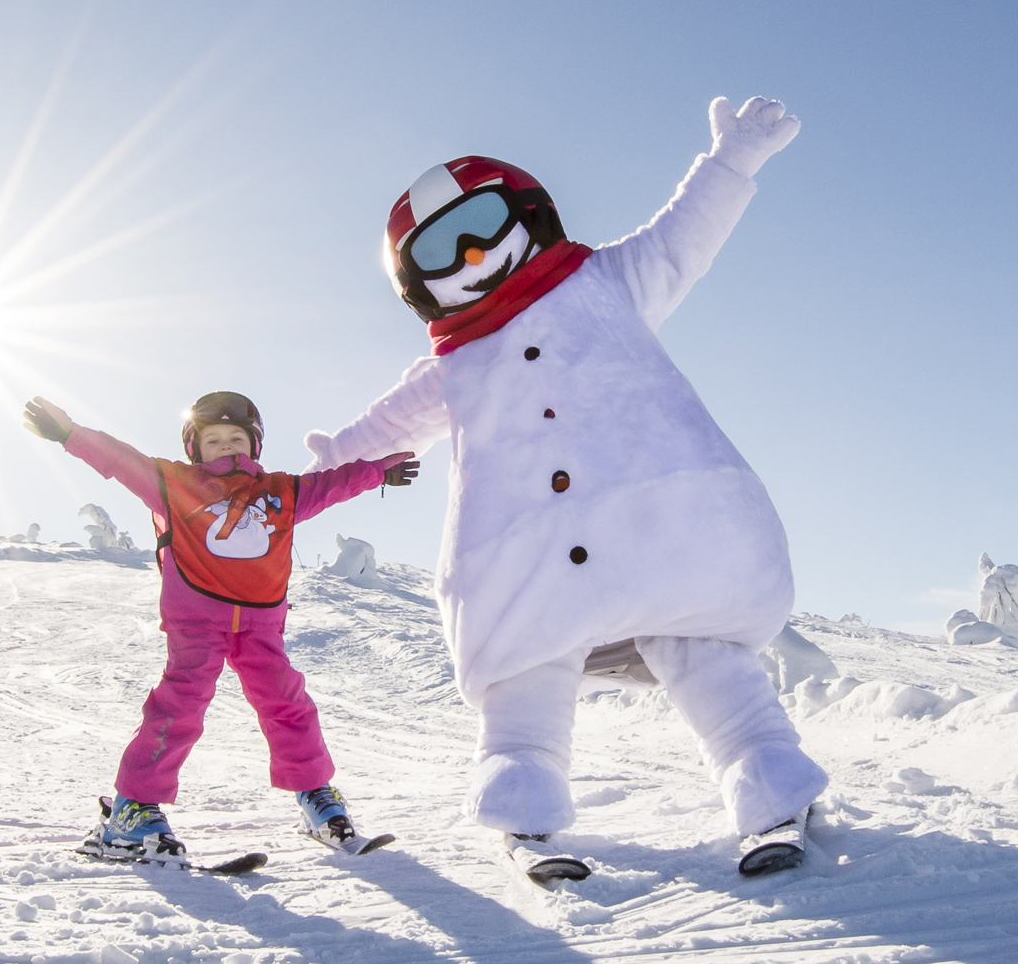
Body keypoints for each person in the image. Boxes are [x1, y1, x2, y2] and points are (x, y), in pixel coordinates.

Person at [302, 95, 827, 880]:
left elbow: (683, 238)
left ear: (525, 211)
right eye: (442, 249)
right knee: (526, 671)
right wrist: (329, 462)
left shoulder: (605, 283)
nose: (474, 254)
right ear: (420, 282)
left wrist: (731, 160)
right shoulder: (454, 363)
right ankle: (526, 810)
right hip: (532, 554)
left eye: (481, 224)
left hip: (662, 528)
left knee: (700, 647)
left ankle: (772, 788)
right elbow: (388, 426)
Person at [22, 390, 418, 859]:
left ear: (255, 445)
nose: (227, 447)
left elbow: (332, 483)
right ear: (195, 448)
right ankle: (131, 812)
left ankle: (317, 799)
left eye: (237, 438)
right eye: (214, 440)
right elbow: (119, 459)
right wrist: (70, 434)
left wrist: (377, 473)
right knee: (179, 709)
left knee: (288, 705)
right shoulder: (172, 483)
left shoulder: (282, 491)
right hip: (197, 622)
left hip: (261, 624)